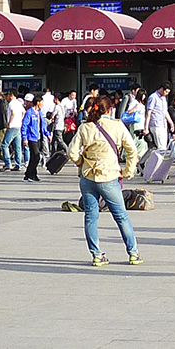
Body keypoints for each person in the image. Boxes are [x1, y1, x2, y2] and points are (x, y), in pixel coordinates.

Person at [66, 93, 141, 267]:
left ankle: (97, 255)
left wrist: (82, 163)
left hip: (88, 178)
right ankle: (133, 253)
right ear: (110, 109)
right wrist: (127, 171)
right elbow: (132, 150)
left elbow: (72, 152)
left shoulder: (85, 128)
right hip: (109, 177)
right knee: (121, 215)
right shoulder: (117, 126)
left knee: (91, 217)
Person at [21, 94, 45, 181]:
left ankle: (29, 174)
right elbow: (24, 125)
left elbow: (43, 125)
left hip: (38, 137)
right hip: (31, 137)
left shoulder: (39, 112)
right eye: (41, 102)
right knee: (36, 156)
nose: (42, 104)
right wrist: (25, 138)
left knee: (33, 157)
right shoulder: (30, 112)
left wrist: (47, 133)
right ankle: (31, 174)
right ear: (37, 103)